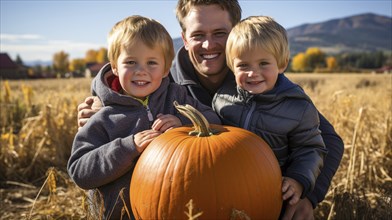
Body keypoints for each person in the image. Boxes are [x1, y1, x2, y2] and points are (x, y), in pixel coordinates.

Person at [77, 1, 344, 219]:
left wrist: (309, 196)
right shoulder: (161, 80)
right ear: (184, 38)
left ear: (236, 32)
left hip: (252, 199)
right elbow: (123, 87)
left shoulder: (255, 79)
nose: (208, 45)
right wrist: (100, 102)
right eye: (197, 35)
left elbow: (327, 140)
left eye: (220, 34)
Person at [67, 15, 221, 220]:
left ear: (166, 69)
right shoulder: (103, 115)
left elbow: (215, 120)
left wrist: (184, 122)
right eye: (130, 62)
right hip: (122, 214)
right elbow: (80, 171)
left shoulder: (177, 97)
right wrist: (128, 147)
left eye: (151, 63)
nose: (141, 71)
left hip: (176, 209)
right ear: (114, 66)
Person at [213, 15, 328, 216]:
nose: (252, 73)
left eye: (263, 63)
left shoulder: (298, 107)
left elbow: (310, 148)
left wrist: (299, 179)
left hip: (273, 191)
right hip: (226, 187)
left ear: (282, 64)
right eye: (243, 66)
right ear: (232, 66)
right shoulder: (222, 98)